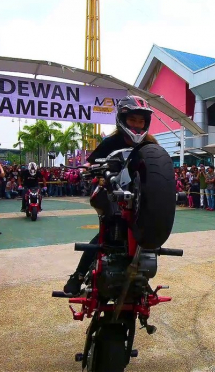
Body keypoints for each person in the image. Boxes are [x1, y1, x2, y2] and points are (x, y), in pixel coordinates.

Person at [63, 95, 158, 295]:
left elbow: (161, 168)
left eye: (141, 121)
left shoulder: (151, 145)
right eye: (133, 120)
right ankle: (78, 275)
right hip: (110, 191)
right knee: (107, 232)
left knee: (145, 235)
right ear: (123, 120)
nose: (137, 125)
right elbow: (90, 162)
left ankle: (140, 277)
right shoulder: (111, 142)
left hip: (140, 196)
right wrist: (79, 171)